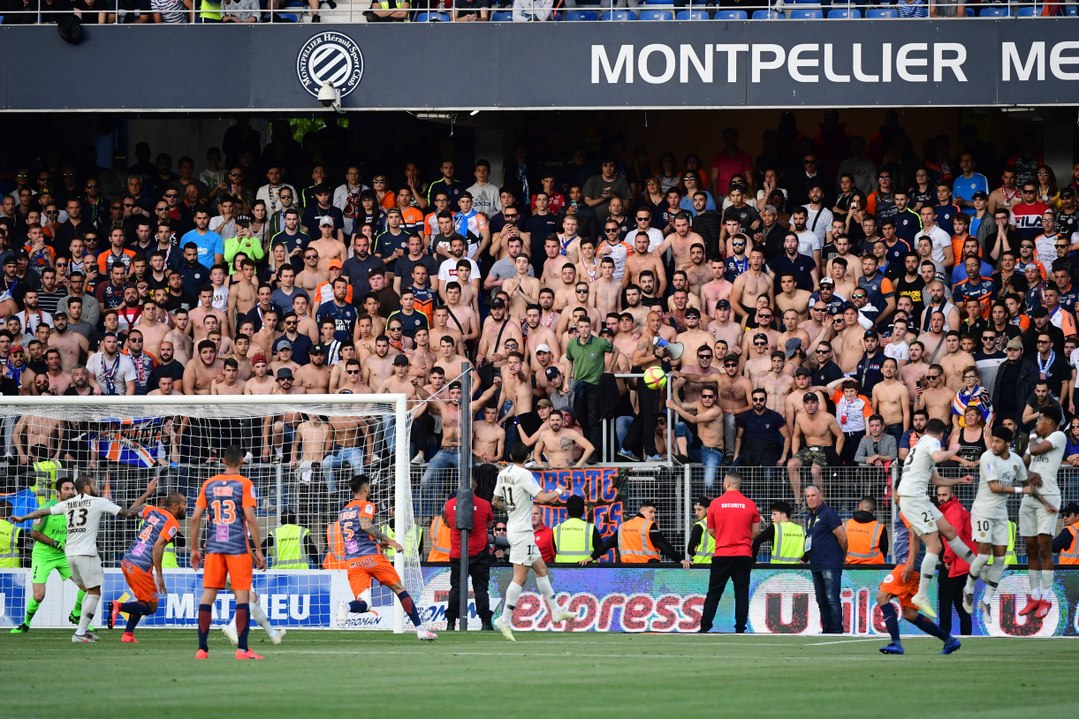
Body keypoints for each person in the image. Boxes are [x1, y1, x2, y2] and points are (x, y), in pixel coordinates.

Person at [13, 475, 157, 643]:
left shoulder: (68, 504)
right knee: (94, 591)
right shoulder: (98, 501)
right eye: (94, 484)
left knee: (88, 590)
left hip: (69, 555)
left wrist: (23, 518)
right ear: (87, 487)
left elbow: (43, 512)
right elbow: (127, 513)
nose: (96, 486)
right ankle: (80, 632)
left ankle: (80, 625)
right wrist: (146, 496)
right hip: (86, 554)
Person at [491, 443, 579, 642]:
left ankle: (556, 611)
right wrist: (558, 490)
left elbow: (495, 501)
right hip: (522, 531)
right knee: (519, 578)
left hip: (516, 527)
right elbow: (542, 497)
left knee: (541, 568)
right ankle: (504, 619)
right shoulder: (524, 475)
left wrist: (511, 510)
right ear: (528, 455)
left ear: (511, 454)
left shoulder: (503, 473)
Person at [188, 445, 267, 660]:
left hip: (213, 547)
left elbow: (195, 518)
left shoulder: (209, 484)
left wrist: (194, 548)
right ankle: (242, 650)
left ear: (222, 461)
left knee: (208, 595)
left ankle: (202, 649)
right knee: (242, 595)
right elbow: (250, 518)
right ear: (242, 461)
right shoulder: (245, 484)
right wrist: (258, 550)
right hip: (237, 547)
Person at [336, 475, 437, 641]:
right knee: (399, 589)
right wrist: (390, 541)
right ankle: (420, 630)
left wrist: (376, 542)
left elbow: (356, 535)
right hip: (372, 559)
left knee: (365, 604)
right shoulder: (367, 505)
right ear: (365, 489)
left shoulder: (344, 511)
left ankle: (346, 606)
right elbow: (365, 525)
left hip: (353, 562)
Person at [898, 418, 980, 619]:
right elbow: (939, 455)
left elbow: (936, 480)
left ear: (927, 429)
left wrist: (959, 480)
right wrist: (954, 450)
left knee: (950, 531)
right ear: (942, 434)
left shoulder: (921, 445)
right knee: (934, 546)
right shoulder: (931, 442)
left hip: (919, 498)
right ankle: (922, 595)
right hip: (913, 498)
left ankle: (978, 565)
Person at [964, 425, 1034, 624]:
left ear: (1007, 444)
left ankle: (986, 601)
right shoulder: (987, 457)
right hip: (983, 512)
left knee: (1000, 560)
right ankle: (968, 589)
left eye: (997, 442)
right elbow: (995, 487)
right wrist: (1023, 491)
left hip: (1001, 515)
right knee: (984, 554)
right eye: (992, 440)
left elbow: (1026, 480)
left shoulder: (1016, 461)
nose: (993, 445)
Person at [877, 501, 963, 656]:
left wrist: (910, 562)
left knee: (882, 596)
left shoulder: (907, 509)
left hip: (907, 564)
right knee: (909, 613)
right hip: (916, 565)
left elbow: (914, 534)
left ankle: (896, 644)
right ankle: (949, 640)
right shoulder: (915, 510)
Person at [9, 478, 89, 635]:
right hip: (44, 555)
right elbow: (34, 533)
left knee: (87, 586)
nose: (70, 492)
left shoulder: (75, 510)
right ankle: (25, 624)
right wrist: (56, 544)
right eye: (66, 489)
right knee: (39, 596)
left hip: (64, 555)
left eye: (72, 489)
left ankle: (76, 614)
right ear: (58, 492)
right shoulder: (46, 508)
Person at [105, 491, 187, 644]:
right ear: (175, 506)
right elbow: (157, 547)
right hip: (140, 567)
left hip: (127, 561)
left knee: (141, 601)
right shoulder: (172, 523)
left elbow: (131, 510)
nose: (186, 507)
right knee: (151, 607)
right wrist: (160, 576)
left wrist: (147, 492)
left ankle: (128, 634)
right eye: (184, 504)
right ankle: (119, 605)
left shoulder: (152, 510)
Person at [698, 472, 760, 634]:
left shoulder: (715, 504)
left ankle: (705, 626)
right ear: (739, 484)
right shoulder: (750, 504)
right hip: (743, 554)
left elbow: (711, 530)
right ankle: (740, 628)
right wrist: (743, 539)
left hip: (722, 554)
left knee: (714, 592)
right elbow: (756, 531)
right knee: (741, 593)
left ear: (726, 483)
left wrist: (724, 537)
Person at [1018, 405, 1065, 619]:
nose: (1036, 424)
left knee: (1045, 547)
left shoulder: (1058, 436)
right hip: (1029, 497)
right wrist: (1028, 474)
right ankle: (1034, 596)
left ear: (1050, 422)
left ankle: (1047, 597)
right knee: (1030, 548)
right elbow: (1022, 464)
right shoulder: (1034, 440)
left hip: (1049, 497)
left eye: (1040, 420)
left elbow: (1035, 450)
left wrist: (1033, 434)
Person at [443, 478, 494, 632]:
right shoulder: (484, 504)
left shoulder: (450, 505)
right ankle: (486, 622)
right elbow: (489, 523)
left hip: (458, 552)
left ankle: (451, 622)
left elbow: (447, 523)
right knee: (481, 588)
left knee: (456, 588)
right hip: (479, 553)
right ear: (475, 487)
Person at [803, 485, 847, 634]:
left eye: (813, 495)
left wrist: (843, 556)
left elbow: (843, 537)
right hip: (815, 564)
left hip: (830, 563)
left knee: (832, 599)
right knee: (821, 600)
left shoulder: (829, 514)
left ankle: (836, 630)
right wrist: (804, 558)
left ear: (820, 496)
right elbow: (810, 540)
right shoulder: (809, 517)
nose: (810, 499)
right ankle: (827, 629)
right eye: (808, 496)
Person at [934, 485, 974, 636]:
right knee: (960, 603)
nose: (941, 498)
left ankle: (944, 635)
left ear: (952, 494)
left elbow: (953, 536)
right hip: (962, 564)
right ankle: (966, 636)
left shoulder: (954, 511)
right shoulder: (955, 509)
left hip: (954, 564)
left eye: (944, 494)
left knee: (945, 602)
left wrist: (947, 558)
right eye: (939, 495)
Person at [553, 494, 604, 564]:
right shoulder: (590, 528)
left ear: (567, 510)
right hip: (586, 570)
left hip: (562, 571)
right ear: (583, 511)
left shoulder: (557, 529)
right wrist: (592, 557)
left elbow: (551, 552)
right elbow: (601, 549)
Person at [750, 500, 804, 564]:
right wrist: (804, 559)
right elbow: (812, 546)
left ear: (783, 515)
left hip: (777, 570)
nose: (771, 517)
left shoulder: (775, 528)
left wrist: (753, 560)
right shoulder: (801, 529)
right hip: (798, 570)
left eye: (774, 514)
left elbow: (756, 541)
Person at [844, 496, 888, 564]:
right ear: (873, 510)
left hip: (848, 567)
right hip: (874, 568)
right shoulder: (880, 528)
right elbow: (884, 550)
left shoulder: (846, 525)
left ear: (860, 506)